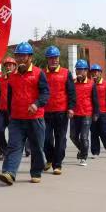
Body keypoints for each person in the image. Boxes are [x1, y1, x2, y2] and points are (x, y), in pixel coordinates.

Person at [0, 42, 50, 185]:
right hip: (16, 118)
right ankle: (9, 172)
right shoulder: (12, 77)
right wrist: (9, 113)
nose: (20, 59)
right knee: (14, 146)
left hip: (35, 118)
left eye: (23, 56)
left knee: (37, 147)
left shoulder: (39, 73)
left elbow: (45, 93)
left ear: (30, 57)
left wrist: (36, 104)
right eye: (18, 56)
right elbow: (9, 96)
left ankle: (36, 172)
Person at [42, 46, 76, 174]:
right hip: (45, 112)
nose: (54, 60)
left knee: (60, 138)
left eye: (55, 57)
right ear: (47, 59)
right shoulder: (42, 73)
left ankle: (58, 164)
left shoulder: (66, 73)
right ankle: (49, 159)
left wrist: (71, 108)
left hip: (61, 112)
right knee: (45, 139)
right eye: (51, 58)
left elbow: (71, 92)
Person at [68, 60, 98, 166]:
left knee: (84, 137)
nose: (79, 71)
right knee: (72, 136)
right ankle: (82, 150)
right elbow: (69, 97)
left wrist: (96, 113)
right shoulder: (72, 83)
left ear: (86, 71)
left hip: (87, 114)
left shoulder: (91, 84)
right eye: (78, 69)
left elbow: (95, 100)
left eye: (82, 69)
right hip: (74, 114)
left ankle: (83, 157)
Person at [0, 57, 17, 161]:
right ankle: (3, 151)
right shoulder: (2, 79)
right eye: (6, 65)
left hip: (15, 110)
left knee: (16, 132)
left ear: (15, 66)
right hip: (2, 110)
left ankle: (25, 147)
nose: (8, 66)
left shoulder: (18, 78)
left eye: (10, 65)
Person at [90, 64, 106, 157]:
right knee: (94, 132)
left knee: (104, 131)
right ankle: (95, 151)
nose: (95, 73)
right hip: (92, 112)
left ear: (100, 73)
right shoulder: (89, 83)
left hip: (103, 112)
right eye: (93, 71)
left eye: (97, 71)